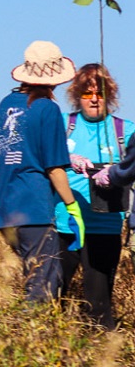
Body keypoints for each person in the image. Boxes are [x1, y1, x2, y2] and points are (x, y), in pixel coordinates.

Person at [0, 40, 85, 303]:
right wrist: (72, 204)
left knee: (29, 281)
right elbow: (54, 167)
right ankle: (30, 338)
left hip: (6, 211)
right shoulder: (47, 108)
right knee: (43, 287)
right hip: (34, 209)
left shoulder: (3, 106)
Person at [57, 64, 133, 329]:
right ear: (77, 95)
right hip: (64, 224)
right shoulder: (64, 125)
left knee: (99, 308)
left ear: (109, 95)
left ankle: (103, 355)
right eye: (86, 93)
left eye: (99, 93)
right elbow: (42, 158)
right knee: (52, 299)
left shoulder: (125, 130)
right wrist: (67, 159)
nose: (93, 98)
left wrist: (115, 172)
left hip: (105, 226)